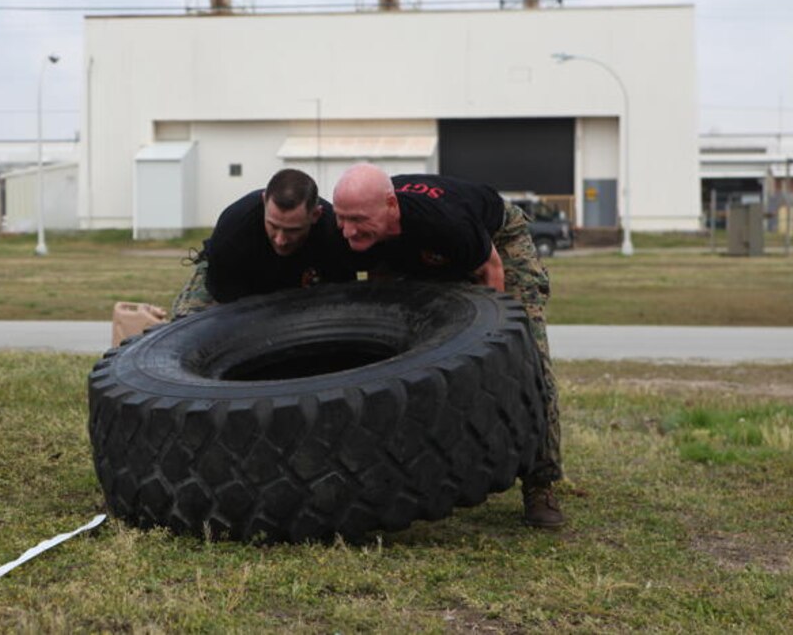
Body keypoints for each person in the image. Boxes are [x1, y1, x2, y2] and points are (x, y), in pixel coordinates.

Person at [332, 162, 566, 529]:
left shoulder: (446, 222)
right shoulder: (355, 231)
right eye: (340, 218)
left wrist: (495, 353)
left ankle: (540, 484)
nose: (347, 230)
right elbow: (377, 281)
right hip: (415, 254)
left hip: (497, 243)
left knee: (528, 362)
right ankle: (408, 472)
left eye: (357, 219)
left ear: (391, 207)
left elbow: (491, 270)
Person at [171, 168, 356, 317]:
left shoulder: (335, 232)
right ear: (264, 202)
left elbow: (345, 297)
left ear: (315, 214)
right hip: (238, 287)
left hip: (303, 286)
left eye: (293, 230)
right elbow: (227, 303)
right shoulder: (234, 229)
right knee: (187, 326)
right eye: (273, 226)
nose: (280, 240)